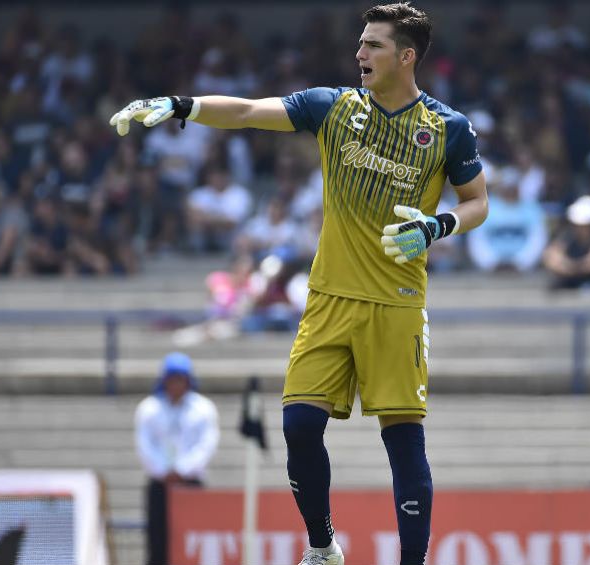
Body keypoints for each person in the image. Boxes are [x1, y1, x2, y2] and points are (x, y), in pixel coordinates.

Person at [110, 4, 489, 564]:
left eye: (373, 46)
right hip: (329, 298)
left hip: (397, 303)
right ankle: (321, 546)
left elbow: (478, 201)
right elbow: (244, 112)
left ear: (406, 56)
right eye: (360, 43)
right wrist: (179, 105)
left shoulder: (447, 128)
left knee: (403, 442)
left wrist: (438, 226)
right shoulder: (332, 107)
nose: (360, 53)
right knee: (298, 426)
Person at [134, 353, 219, 565]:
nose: (175, 385)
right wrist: (163, 471)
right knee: (158, 542)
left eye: (180, 379)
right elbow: (145, 445)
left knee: (192, 539)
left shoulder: (203, 409)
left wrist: (182, 470)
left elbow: (206, 445)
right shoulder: (149, 408)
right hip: (160, 484)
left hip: (190, 482)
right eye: (172, 379)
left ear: (188, 381)